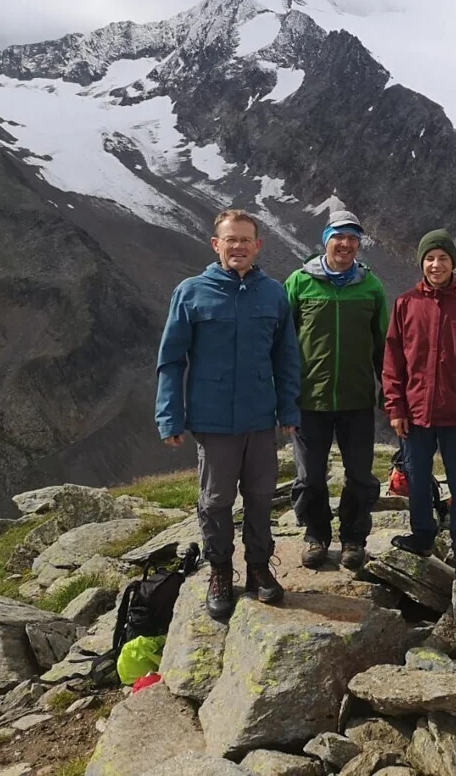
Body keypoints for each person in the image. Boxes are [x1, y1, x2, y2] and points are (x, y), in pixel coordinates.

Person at [155, 209, 300, 621]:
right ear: (215, 244)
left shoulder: (273, 294)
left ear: (258, 246)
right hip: (213, 420)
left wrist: (289, 408)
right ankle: (220, 569)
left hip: (259, 419)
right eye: (230, 239)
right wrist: (170, 416)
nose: (238, 246)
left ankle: (258, 568)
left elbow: (286, 357)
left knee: (259, 497)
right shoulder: (191, 292)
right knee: (216, 500)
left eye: (245, 240)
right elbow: (171, 359)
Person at [382, 228, 456, 588]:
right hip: (414, 415)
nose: (436, 264)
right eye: (430, 258)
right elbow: (393, 361)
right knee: (416, 479)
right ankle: (422, 536)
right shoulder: (406, 304)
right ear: (422, 263)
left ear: (452, 263)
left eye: (443, 258)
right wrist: (396, 407)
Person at [284, 210, 389, 572]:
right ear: (325, 240)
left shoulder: (371, 287)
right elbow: (281, 343)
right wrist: (284, 396)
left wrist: (386, 390)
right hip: (308, 401)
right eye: (338, 236)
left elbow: (383, 346)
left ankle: (354, 540)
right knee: (309, 476)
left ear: (358, 245)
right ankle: (316, 535)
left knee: (359, 474)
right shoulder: (299, 283)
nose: (345, 244)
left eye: (352, 238)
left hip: (356, 400)